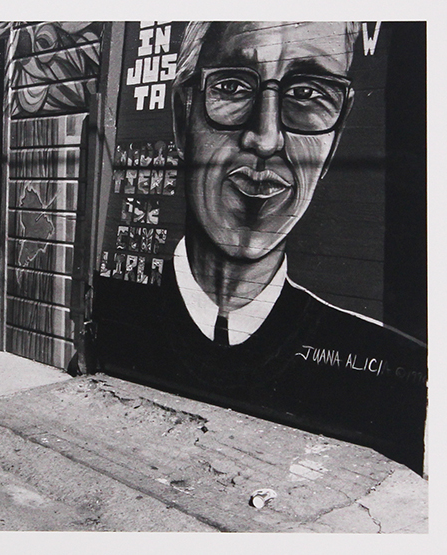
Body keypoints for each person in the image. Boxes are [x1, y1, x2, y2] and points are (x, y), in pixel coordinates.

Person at [97, 22, 427, 474]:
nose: (266, 138)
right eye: (232, 87)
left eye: (309, 94)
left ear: (335, 142)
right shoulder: (107, 308)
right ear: (182, 117)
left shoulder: (400, 367)